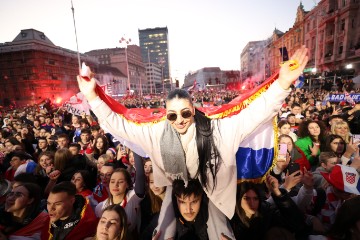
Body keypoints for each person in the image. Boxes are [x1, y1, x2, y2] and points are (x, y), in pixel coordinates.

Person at [78, 46, 309, 239]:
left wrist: (282, 84)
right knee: (164, 232)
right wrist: (92, 97)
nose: (179, 121)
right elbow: (118, 126)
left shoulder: (218, 129)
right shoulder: (155, 132)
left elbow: (255, 114)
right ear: (165, 115)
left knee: (221, 233)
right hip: (175, 187)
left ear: (193, 110)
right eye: (172, 116)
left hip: (213, 189)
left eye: (185, 114)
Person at [230, 176, 307, 240]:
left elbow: (297, 222)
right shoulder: (231, 220)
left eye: (255, 199)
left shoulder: (266, 214)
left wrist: (277, 192)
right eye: (247, 198)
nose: (252, 203)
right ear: (239, 200)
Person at [95, 152, 145, 234]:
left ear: (128, 184)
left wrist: (136, 149)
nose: (116, 185)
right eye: (112, 181)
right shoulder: (100, 207)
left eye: (121, 182)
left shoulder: (133, 198)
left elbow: (140, 176)